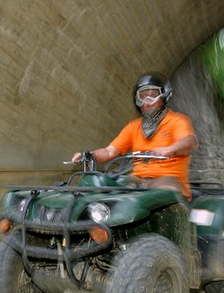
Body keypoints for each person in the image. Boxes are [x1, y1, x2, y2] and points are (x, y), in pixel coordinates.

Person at [72, 72, 199, 201]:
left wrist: (170, 149)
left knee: (161, 195)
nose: (147, 101)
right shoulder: (133, 126)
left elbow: (189, 141)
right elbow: (109, 151)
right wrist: (90, 155)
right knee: (106, 192)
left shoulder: (178, 120)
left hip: (169, 179)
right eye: (143, 96)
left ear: (164, 96)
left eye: (153, 96)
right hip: (137, 180)